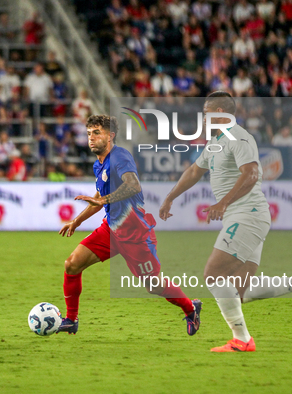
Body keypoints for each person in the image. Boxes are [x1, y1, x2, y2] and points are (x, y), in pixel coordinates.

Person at [159, 92, 292, 353]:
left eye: (206, 112)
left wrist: (223, 202)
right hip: (245, 216)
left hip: (248, 214)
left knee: (213, 274)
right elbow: (193, 171)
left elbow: (252, 173)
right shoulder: (216, 140)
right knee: (237, 292)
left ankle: (242, 340)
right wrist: (170, 198)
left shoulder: (240, 137)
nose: (204, 117)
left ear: (220, 111)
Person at [56, 115, 201, 336]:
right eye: (88, 134)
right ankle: (71, 319)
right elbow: (99, 197)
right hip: (111, 230)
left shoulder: (120, 156)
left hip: (135, 235)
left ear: (110, 135)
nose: (91, 138)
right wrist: (77, 221)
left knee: (154, 285)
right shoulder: (99, 164)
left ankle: (191, 308)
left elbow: (132, 185)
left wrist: (104, 201)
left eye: (97, 133)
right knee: (72, 264)